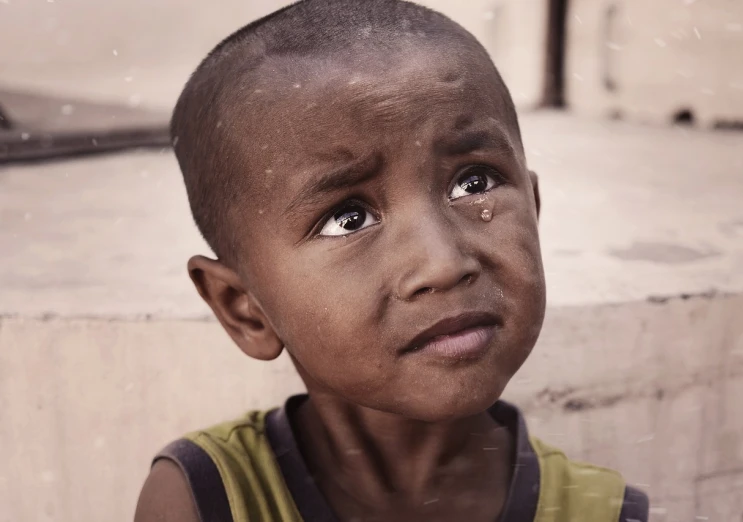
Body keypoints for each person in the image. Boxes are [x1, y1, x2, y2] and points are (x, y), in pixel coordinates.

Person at [135, 1, 649, 520]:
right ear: (244, 307)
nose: (443, 264)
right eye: (348, 218)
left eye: (474, 183)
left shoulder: (601, 513)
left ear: (534, 211)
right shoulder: (206, 500)